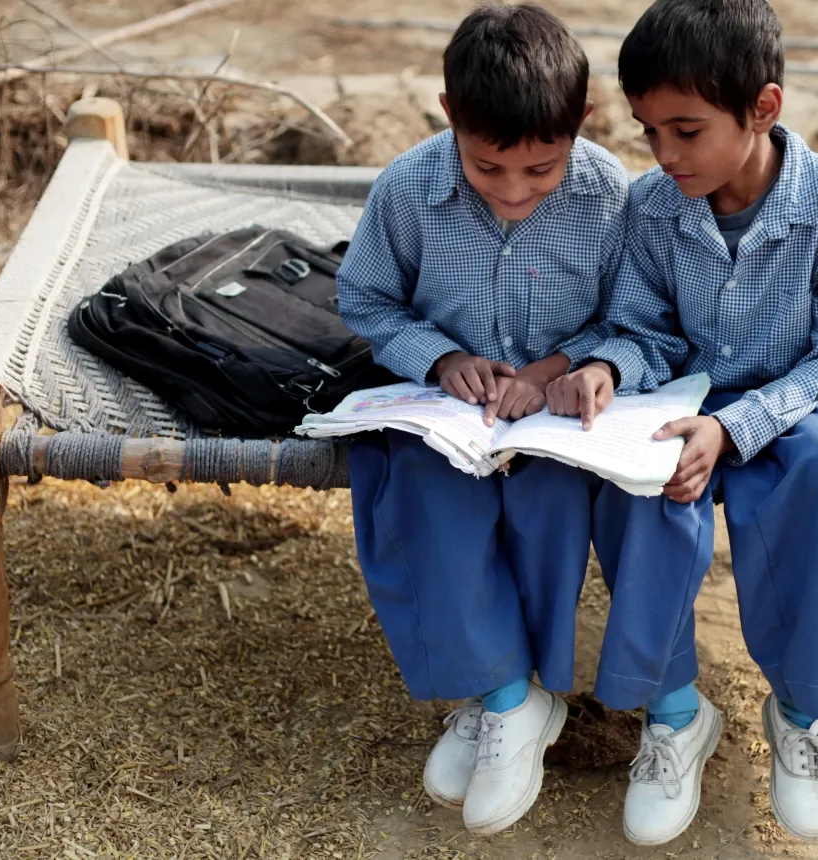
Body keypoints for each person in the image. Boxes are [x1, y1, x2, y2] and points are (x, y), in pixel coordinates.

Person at [548, 0, 818, 844]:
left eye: (686, 131)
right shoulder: (652, 209)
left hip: (798, 407)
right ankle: (673, 713)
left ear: (763, 110)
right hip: (681, 402)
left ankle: (805, 714)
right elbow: (643, 329)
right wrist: (605, 368)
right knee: (633, 480)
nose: (664, 155)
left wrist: (739, 429)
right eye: (647, 132)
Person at [335, 4, 631, 835]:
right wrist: (437, 358)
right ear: (449, 117)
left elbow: (635, 318)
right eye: (488, 166)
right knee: (419, 496)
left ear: (581, 124)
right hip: (447, 413)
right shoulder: (406, 189)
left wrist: (555, 371)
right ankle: (506, 700)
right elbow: (365, 299)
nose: (513, 191)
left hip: (558, 417)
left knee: (548, 506)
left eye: (541, 170)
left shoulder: (611, 196)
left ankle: (510, 685)